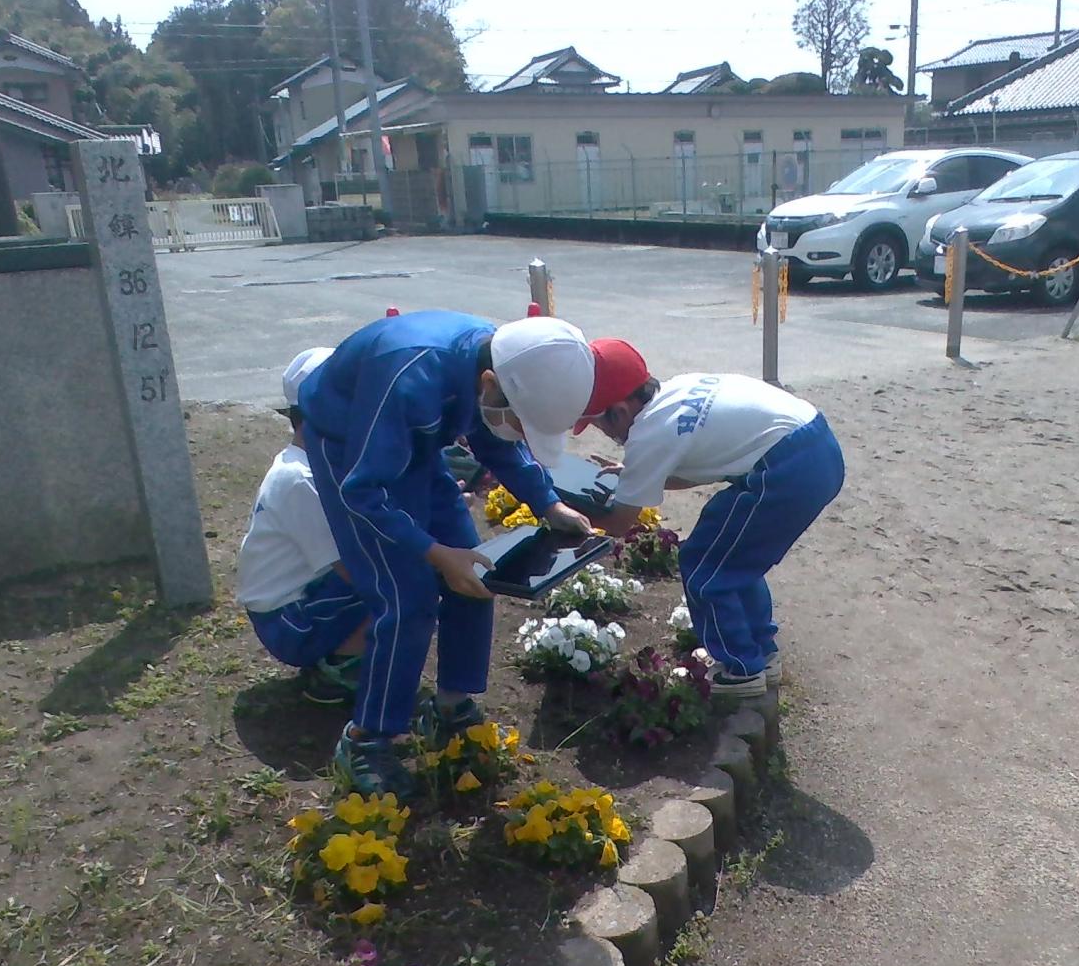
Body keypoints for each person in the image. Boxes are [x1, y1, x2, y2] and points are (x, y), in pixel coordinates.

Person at [298, 311, 647, 792]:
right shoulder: (412, 378)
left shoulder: (506, 363)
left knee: (477, 573)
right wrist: (433, 552)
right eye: (522, 424)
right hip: (351, 450)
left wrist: (549, 503)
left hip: (416, 444)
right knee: (406, 598)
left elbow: (495, 438)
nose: (522, 433)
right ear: (488, 383)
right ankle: (366, 739)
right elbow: (364, 492)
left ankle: (450, 707)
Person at [579, 347, 845, 701]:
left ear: (621, 410)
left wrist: (568, 510)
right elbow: (694, 471)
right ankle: (761, 653)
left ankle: (741, 670)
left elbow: (619, 522)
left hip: (786, 468)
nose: (603, 433)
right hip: (816, 445)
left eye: (599, 423)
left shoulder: (647, 435)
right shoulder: (679, 390)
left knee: (704, 567)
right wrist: (640, 474)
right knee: (733, 559)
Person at [236, 348, 370, 706]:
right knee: (395, 585)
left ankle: (341, 652)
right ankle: (337, 670)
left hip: (295, 601)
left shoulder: (312, 465)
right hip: (287, 621)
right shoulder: (302, 480)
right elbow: (349, 566)